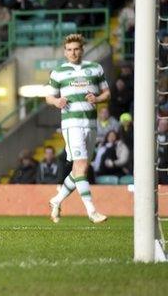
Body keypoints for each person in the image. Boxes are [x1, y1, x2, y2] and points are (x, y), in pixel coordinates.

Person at [46, 34, 110, 224]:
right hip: (71, 124)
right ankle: (92, 211)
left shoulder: (95, 68)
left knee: (79, 169)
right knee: (81, 166)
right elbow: (49, 97)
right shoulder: (58, 72)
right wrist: (57, 101)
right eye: (69, 50)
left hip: (90, 123)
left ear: (82, 49)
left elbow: (107, 92)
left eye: (76, 49)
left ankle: (56, 200)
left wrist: (97, 99)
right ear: (65, 52)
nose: (73, 52)